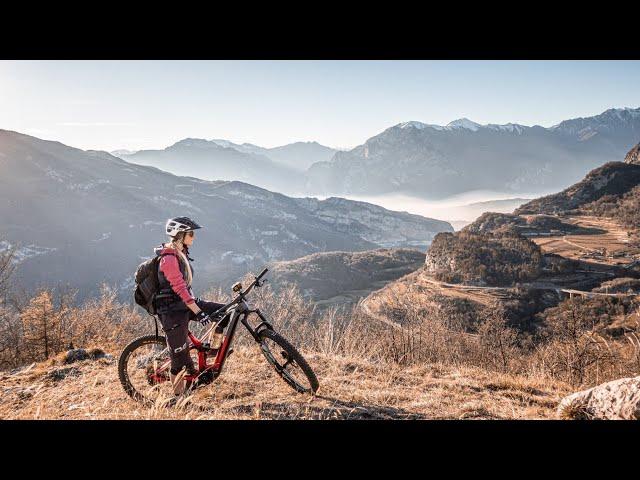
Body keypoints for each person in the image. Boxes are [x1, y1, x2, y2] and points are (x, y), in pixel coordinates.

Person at [153, 216, 228, 395]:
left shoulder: (181, 253)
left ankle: (212, 350)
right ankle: (178, 399)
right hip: (171, 311)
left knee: (226, 312)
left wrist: (197, 306)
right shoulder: (169, 258)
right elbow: (179, 287)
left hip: (184, 304)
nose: (194, 237)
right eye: (191, 234)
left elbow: (185, 288)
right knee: (179, 361)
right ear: (180, 235)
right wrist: (198, 312)